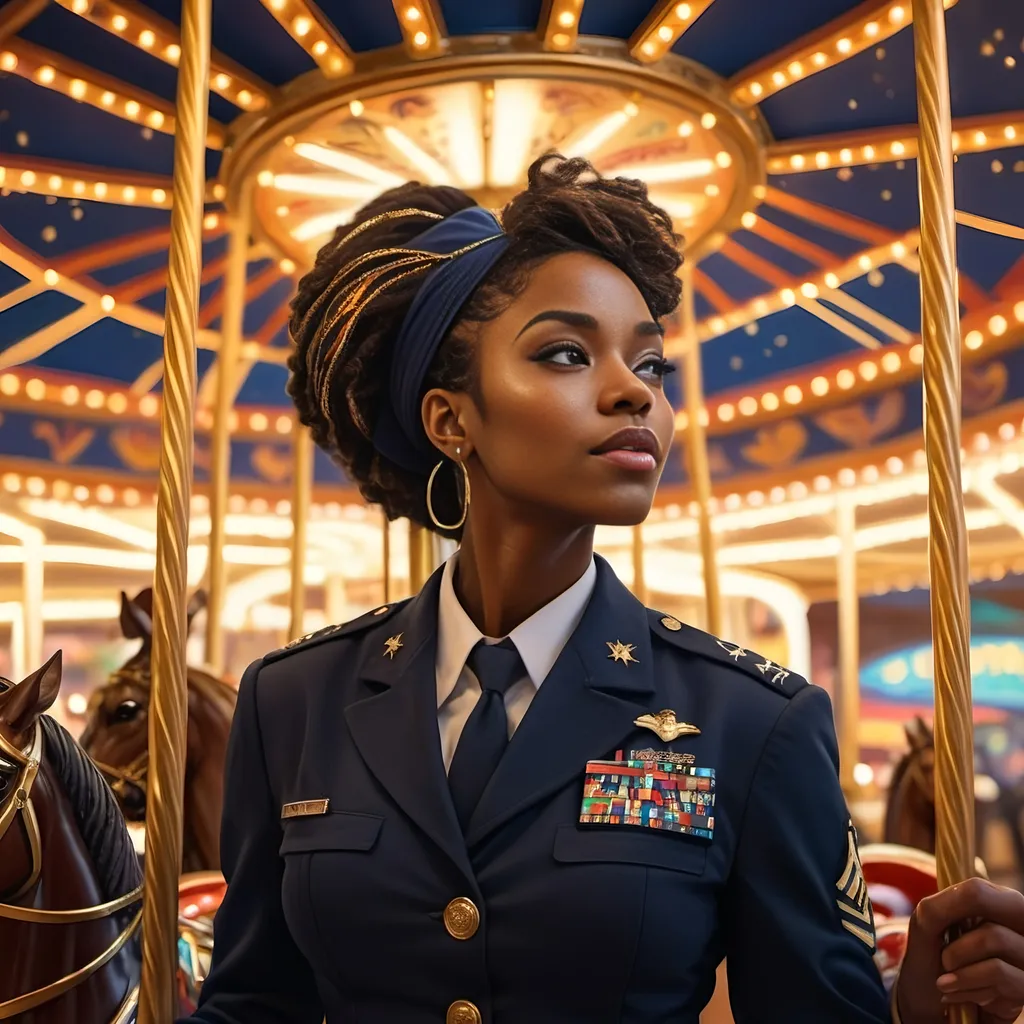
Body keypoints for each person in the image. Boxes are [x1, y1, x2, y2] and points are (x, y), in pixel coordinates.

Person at [179, 155, 1024, 1024]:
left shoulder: (753, 721)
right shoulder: (293, 703)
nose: (633, 392)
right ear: (449, 419)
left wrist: (920, 1014)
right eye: (567, 353)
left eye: (651, 365)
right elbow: (252, 1003)